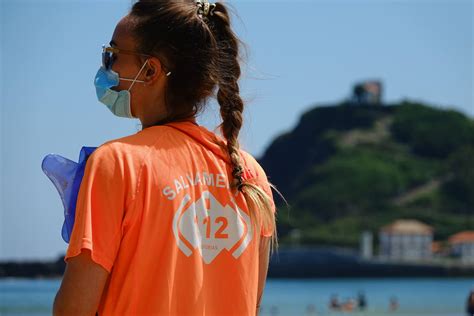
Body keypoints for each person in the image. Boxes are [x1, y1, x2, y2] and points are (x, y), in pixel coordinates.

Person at [52, 1, 283, 315]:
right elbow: (250, 302)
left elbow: (73, 309)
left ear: (150, 70)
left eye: (113, 55)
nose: (108, 68)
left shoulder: (116, 163)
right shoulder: (248, 172)